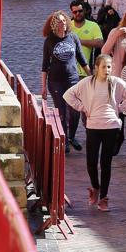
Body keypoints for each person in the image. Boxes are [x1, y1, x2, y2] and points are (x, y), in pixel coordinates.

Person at [64, 53, 126, 212]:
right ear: (96, 68)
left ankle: (104, 198)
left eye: (109, 66)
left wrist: (119, 108)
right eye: (104, 67)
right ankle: (95, 188)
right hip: (93, 126)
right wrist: (83, 108)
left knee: (106, 164)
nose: (107, 70)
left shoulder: (116, 82)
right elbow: (68, 95)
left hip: (111, 126)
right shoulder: (87, 83)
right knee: (91, 162)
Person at [41, 11, 90, 153]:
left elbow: (82, 59)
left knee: (74, 112)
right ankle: (64, 140)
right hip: (55, 81)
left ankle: (71, 136)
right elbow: (44, 65)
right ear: (53, 25)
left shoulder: (73, 38)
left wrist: (92, 77)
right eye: (58, 22)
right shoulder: (49, 41)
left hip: (72, 79)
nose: (62, 23)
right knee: (61, 111)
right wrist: (43, 86)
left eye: (64, 21)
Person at [68, 0, 104, 78]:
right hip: (69, 72)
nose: (78, 14)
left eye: (80, 11)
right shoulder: (67, 26)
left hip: (86, 72)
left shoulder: (93, 25)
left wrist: (79, 41)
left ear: (84, 11)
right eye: (75, 12)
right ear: (72, 12)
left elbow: (100, 43)